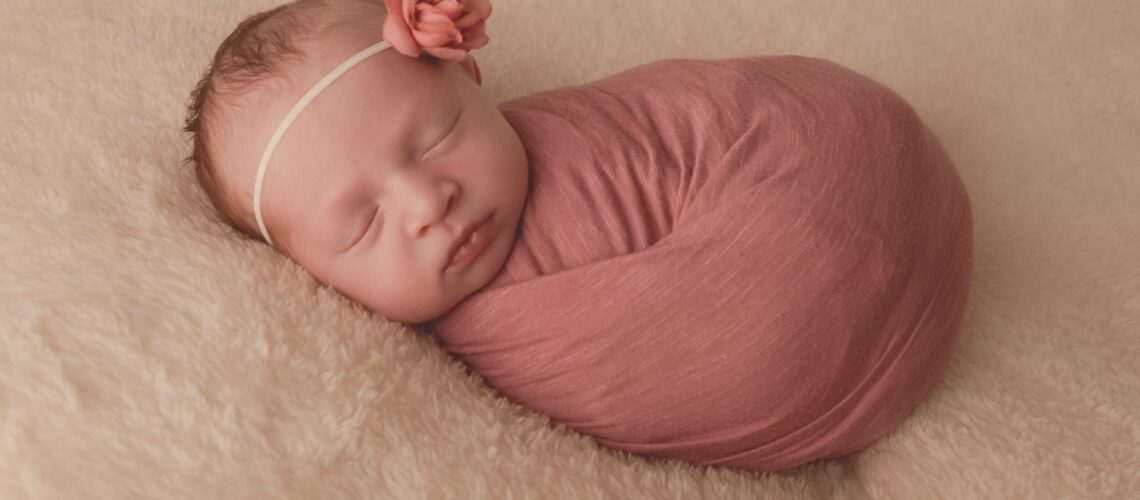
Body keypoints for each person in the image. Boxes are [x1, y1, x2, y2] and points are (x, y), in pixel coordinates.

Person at [183, 0, 974, 472]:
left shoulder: (573, 149)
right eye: (362, 223)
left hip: (836, 140)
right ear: (311, 277)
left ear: (474, 80)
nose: (429, 200)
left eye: (436, 135)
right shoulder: (475, 320)